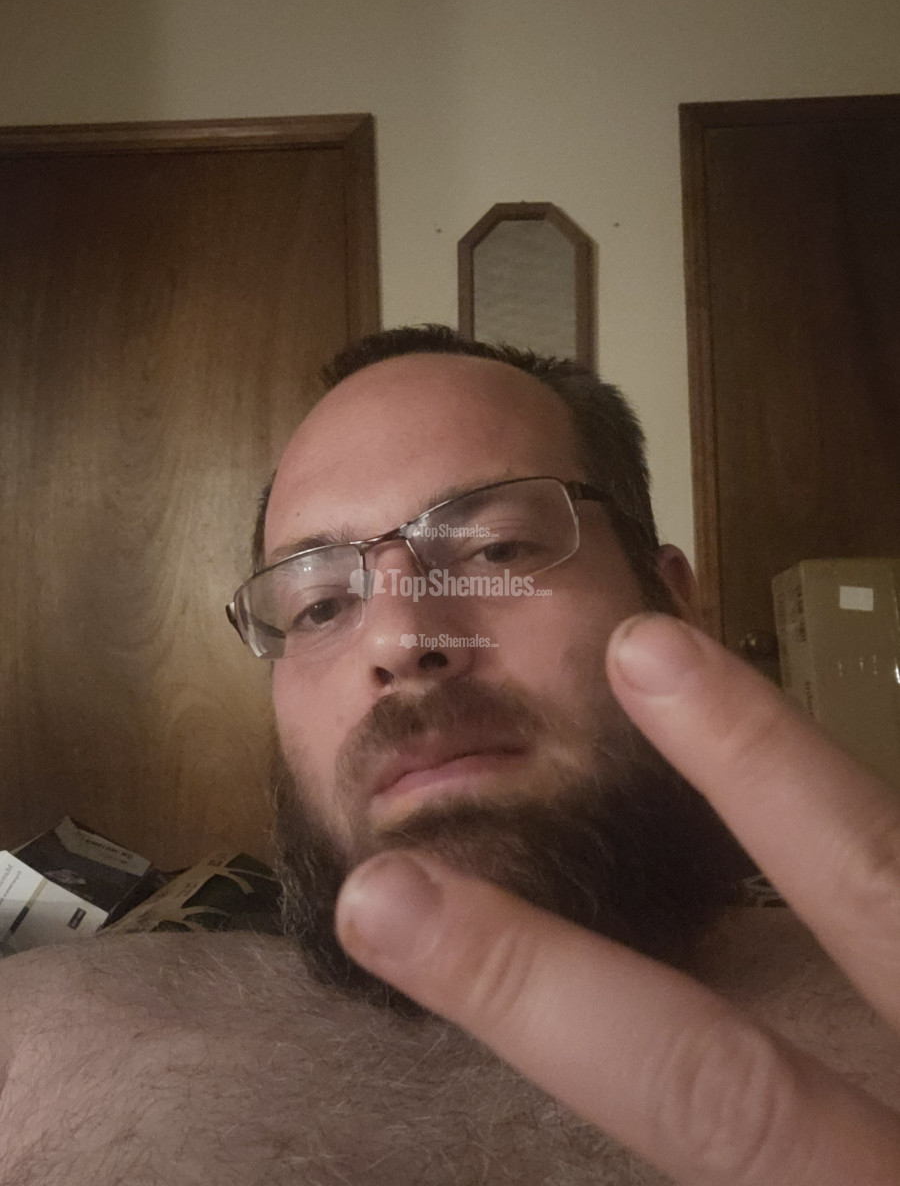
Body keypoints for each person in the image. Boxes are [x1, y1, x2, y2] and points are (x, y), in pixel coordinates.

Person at [1, 326, 898, 1185]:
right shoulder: (35, 1039)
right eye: (320, 606)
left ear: (670, 600)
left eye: (496, 548)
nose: (400, 639)